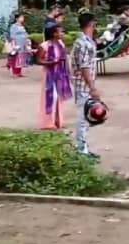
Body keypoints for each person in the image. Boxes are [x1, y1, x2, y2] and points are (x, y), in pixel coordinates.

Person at [71, 12, 100, 159]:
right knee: (83, 118)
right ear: (91, 23)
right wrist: (92, 87)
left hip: (84, 85)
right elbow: (84, 67)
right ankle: (81, 150)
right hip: (83, 86)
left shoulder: (86, 41)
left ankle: (84, 148)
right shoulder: (83, 43)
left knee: (87, 118)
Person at [37, 24, 72, 129]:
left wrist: (68, 73)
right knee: (52, 97)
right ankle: (47, 123)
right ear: (54, 33)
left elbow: (65, 58)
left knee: (60, 97)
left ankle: (58, 121)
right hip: (49, 75)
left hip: (60, 74)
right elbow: (38, 60)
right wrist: (50, 62)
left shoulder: (61, 44)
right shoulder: (44, 45)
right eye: (60, 31)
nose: (62, 33)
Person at [7, 13, 28, 78]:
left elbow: (25, 34)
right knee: (15, 58)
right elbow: (12, 36)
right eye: (21, 17)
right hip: (17, 43)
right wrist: (13, 44)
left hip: (23, 44)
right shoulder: (13, 26)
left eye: (23, 17)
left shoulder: (22, 26)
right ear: (17, 18)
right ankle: (14, 72)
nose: (22, 19)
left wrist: (27, 40)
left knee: (21, 58)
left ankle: (19, 72)